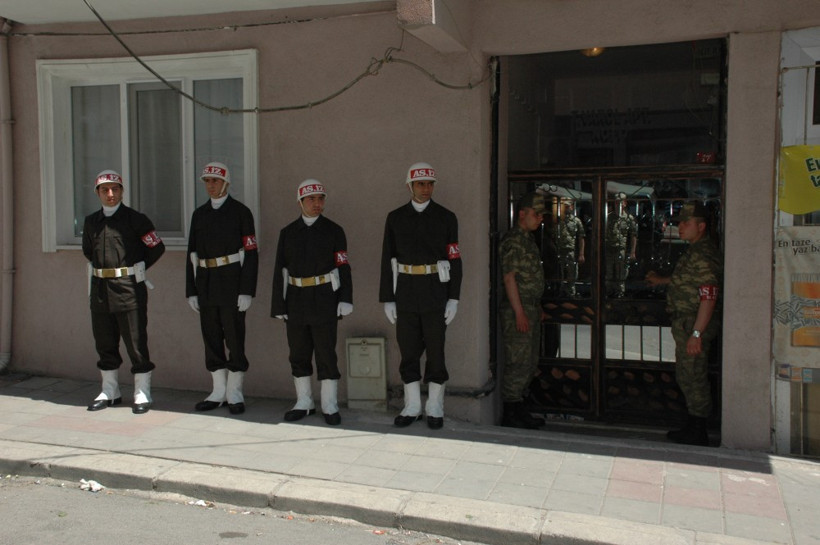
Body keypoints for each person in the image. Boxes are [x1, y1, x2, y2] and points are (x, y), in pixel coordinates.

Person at [379, 162, 462, 430]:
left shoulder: (446, 217)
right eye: (420, 184)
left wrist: (454, 297)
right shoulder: (395, 218)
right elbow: (387, 258)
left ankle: (435, 406)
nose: (425, 189)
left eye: (429, 184)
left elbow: (454, 258)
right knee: (409, 351)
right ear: (410, 186)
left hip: (435, 292)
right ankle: (412, 406)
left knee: (436, 352)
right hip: (405, 292)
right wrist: (388, 298)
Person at [83, 170, 165, 414]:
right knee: (104, 341)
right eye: (105, 190)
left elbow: (156, 247)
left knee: (136, 342)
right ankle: (110, 391)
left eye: (115, 189)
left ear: (122, 191)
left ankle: (142, 393)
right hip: (100, 289)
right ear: (97, 193)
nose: (110, 194)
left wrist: (139, 267)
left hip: (129, 289)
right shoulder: (91, 222)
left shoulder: (136, 219)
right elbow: (88, 251)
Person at [271, 179, 353, 426]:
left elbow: (343, 265)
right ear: (300, 202)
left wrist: (345, 298)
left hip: (324, 298)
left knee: (326, 352)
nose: (317, 203)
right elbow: (279, 269)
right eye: (311, 199)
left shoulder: (334, 231)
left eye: (320, 199)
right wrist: (279, 305)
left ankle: (329, 404)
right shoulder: (288, 233)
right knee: (298, 352)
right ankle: (304, 402)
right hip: (296, 299)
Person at [645, 201, 722, 446]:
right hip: (687, 322)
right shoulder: (695, 251)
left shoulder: (703, 254)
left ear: (701, 226)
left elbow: (709, 296)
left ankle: (698, 429)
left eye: (686, 223)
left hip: (693, 323)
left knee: (693, 375)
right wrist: (661, 281)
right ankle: (693, 423)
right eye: (679, 223)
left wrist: (697, 333)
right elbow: (687, 281)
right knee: (687, 374)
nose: (680, 227)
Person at [186, 162, 258, 415]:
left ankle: (234, 392)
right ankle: (218, 391)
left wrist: (246, 289)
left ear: (226, 183)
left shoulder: (241, 213)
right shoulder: (199, 214)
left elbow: (251, 253)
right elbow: (191, 253)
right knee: (211, 336)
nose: (210, 185)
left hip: (231, 283)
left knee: (234, 338)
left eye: (215, 181)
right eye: (207, 181)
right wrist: (191, 290)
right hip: (206, 283)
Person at [499, 192, 548, 429]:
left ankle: (520, 407)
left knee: (529, 361)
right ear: (521, 214)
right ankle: (511, 413)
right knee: (518, 362)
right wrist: (519, 312)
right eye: (536, 214)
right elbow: (509, 278)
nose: (540, 218)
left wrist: (536, 307)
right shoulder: (513, 241)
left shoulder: (528, 240)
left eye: (541, 215)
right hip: (518, 310)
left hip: (530, 307)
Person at [605, 192, 638, 298]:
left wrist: (633, 251)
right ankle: (608, 291)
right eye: (616, 202)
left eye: (620, 202)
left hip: (621, 249)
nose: (618, 205)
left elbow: (633, 235)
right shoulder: (608, 217)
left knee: (621, 272)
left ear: (625, 203)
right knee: (609, 271)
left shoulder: (629, 218)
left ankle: (620, 292)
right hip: (609, 248)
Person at [552, 198, 585, 298]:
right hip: (560, 250)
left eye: (568, 206)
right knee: (560, 273)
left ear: (572, 206)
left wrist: (581, 254)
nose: (567, 208)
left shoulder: (576, 221)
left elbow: (581, 238)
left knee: (572, 273)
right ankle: (560, 291)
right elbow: (553, 236)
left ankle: (571, 292)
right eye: (565, 206)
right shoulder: (558, 221)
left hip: (571, 251)